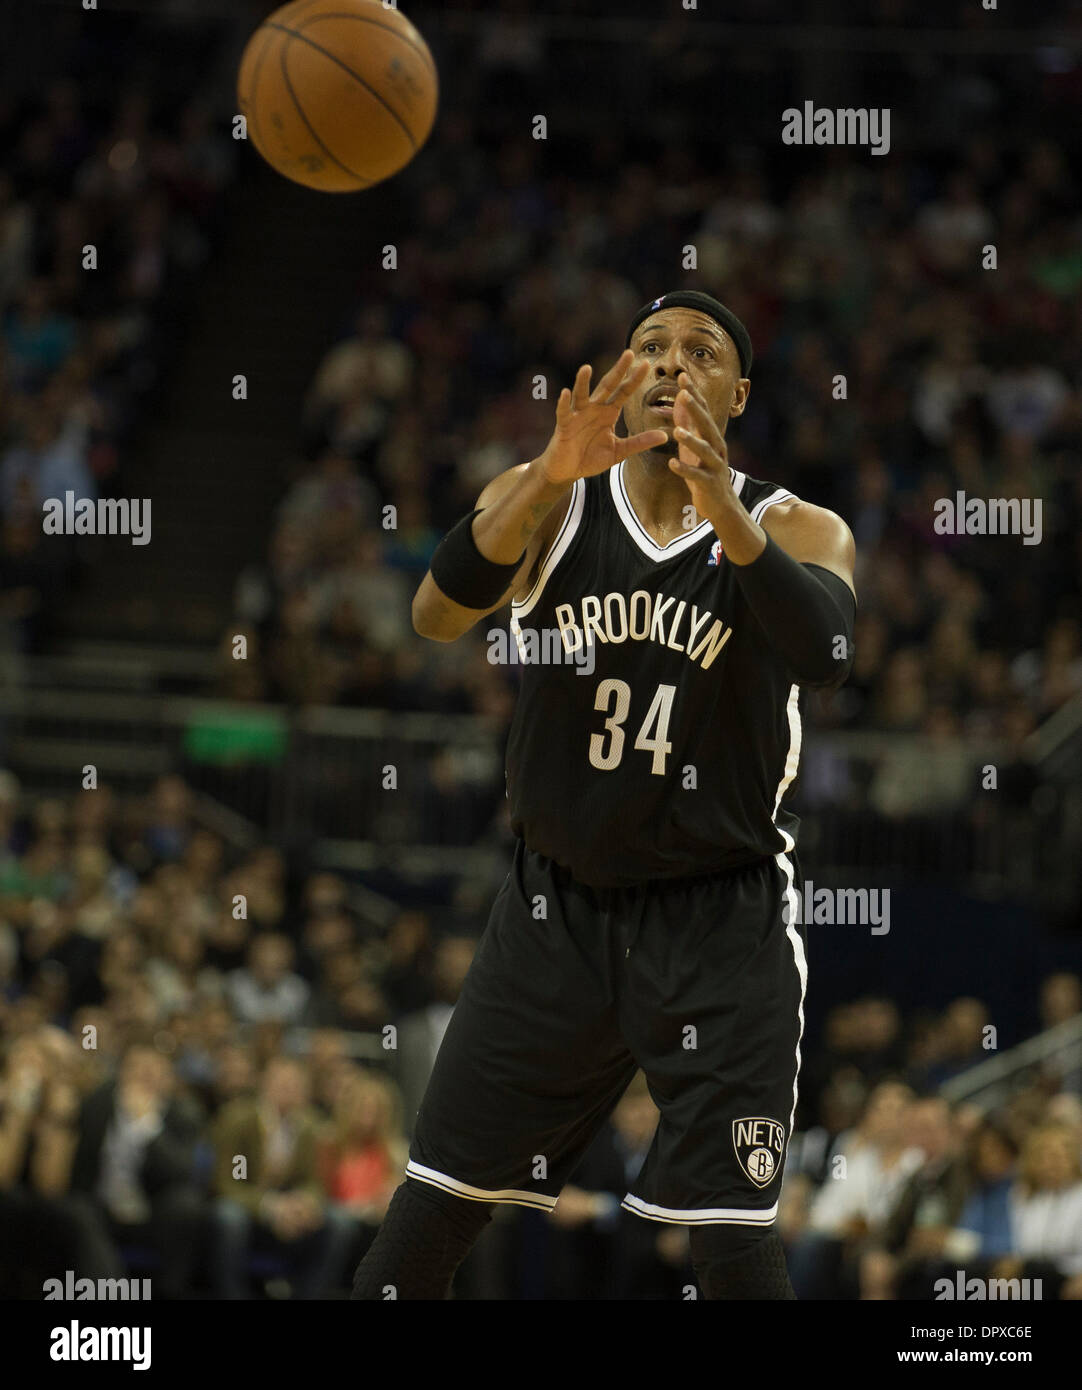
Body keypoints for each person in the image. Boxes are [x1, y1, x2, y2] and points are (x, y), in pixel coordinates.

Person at [352, 290, 856, 1300]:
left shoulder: (796, 526)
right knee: (423, 1226)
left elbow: (826, 650)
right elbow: (436, 613)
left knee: (732, 1246)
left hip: (720, 915)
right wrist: (544, 474)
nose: (672, 364)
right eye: (649, 347)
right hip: (556, 908)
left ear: (736, 392)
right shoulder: (557, 498)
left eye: (699, 352)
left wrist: (725, 517)